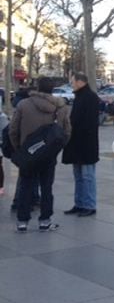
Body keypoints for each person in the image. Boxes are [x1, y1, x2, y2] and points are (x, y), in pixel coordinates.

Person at [9, 77, 71, 232]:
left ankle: (22, 221)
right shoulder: (61, 107)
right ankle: (45, 220)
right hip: (49, 155)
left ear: (37, 88)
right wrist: (56, 148)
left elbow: (13, 130)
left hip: (28, 153)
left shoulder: (23, 105)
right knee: (46, 187)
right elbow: (67, 132)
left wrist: (20, 147)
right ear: (52, 89)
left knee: (25, 186)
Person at [61, 73, 101, 217]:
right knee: (78, 176)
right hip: (77, 143)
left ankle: (89, 205)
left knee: (87, 176)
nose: (71, 84)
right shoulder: (79, 97)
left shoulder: (90, 98)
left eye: (72, 81)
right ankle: (79, 203)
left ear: (79, 82)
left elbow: (89, 123)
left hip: (86, 144)